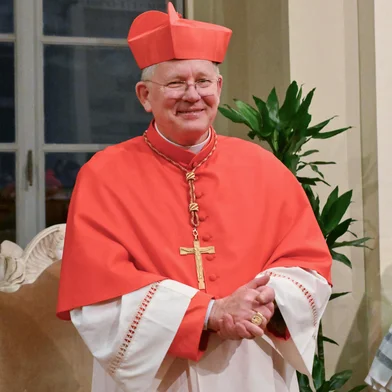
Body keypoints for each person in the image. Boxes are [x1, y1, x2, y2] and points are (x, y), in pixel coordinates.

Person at [57, 3, 332, 391]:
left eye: (203, 81)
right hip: (157, 373)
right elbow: (99, 300)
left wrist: (272, 298)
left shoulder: (267, 169)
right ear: (144, 95)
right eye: (175, 83)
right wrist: (209, 313)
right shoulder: (103, 177)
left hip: (249, 367)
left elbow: (309, 266)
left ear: (218, 88)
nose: (192, 95)